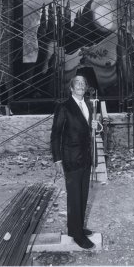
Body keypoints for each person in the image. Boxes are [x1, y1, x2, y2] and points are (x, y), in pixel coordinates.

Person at [51, 75, 98, 250]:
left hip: (86, 158)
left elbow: (87, 130)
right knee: (74, 197)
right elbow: (55, 135)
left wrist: (93, 125)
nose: (80, 85)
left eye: (83, 83)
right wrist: (57, 160)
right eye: (77, 83)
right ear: (71, 88)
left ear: (85, 88)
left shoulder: (89, 105)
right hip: (70, 158)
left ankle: (75, 227)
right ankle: (77, 236)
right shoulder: (63, 107)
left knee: (83, 194)